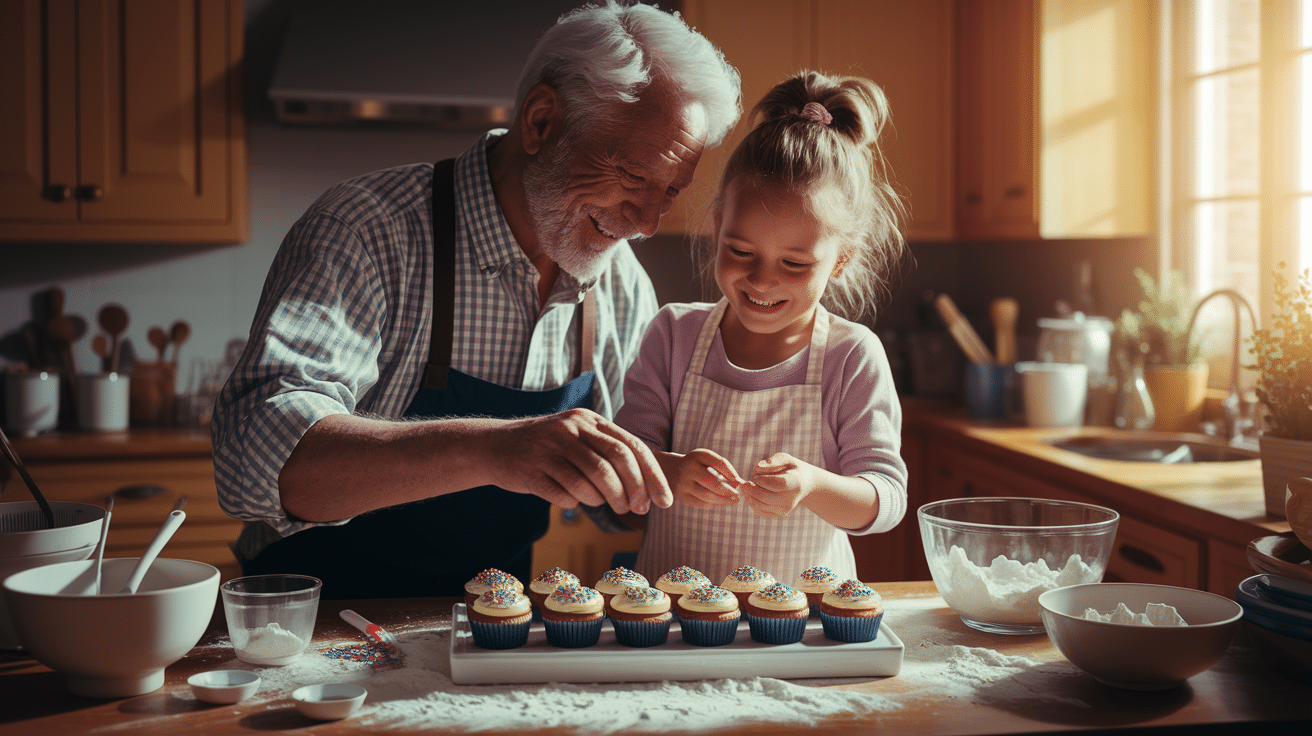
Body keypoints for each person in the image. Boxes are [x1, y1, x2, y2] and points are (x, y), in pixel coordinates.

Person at [211, 1, 741, 598]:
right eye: (634, 178)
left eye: (671, 190)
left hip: (489, 627)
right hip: (316, 622)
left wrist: (677, 472)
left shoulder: (619, 280)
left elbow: (620, 506)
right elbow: (254, 465)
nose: (647, 221)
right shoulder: (366, 231)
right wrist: (500, 449)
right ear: (541, 122)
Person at [616, 71, 909, 585]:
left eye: (794, 264)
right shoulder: (674, 335)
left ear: (841, 259)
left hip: (802, 631)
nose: (761, 278)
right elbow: (624, 471)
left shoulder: (851, 356)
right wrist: (670, 471)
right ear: (716, 229)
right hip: (671, 624)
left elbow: (884, 500)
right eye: (740, 250)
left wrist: (814, 485)